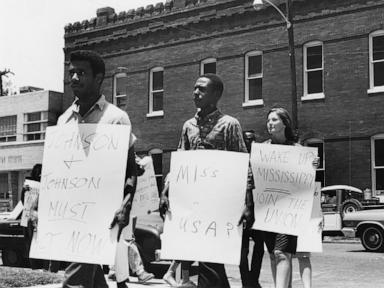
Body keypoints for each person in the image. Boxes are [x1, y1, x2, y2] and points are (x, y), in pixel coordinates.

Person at [159, 73, 255, 288]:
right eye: (195, 88)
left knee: (211, 259)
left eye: (202, 89)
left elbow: (242, 164)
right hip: (193, 205)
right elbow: (180, 163)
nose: (196, 93)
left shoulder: (229, 124)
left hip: (219, 205)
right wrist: (166, 191)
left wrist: (248, 203)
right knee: (205, 259)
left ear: (216, 94)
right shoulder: (188, 126)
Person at [54, 50, 138, 288]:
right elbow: (57, 172)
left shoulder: (116, 118)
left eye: (81, 73)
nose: (74, 78)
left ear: (99, 78)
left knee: (74, 280)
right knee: (90, 275)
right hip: (70, 210)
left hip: (101, 211)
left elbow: (131, 169)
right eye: (72, 73)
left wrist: (126, 205)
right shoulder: (64, 120)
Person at [240, 131, 264, 288]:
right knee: (242, 250)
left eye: (252, 140)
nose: (250, 142)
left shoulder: (261, 160)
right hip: (241, 210)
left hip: (259, 209)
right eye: (247, 139)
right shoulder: (237, 159)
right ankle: (246, 282)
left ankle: (253, 280)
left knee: (259, 247)